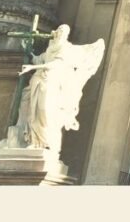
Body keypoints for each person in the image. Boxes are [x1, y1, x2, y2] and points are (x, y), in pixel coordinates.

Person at [19, 24, 105, 154]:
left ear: (66, 35)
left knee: (45, 110)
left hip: (53, 83)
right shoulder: (51, 48)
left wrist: (32, 68)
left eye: (62, 31)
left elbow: (56, 64)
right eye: (58, 30)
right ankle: (35, 141)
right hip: (39, 81)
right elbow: (39, 60)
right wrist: (30, 53)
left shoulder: (66, 48)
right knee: (32, 110)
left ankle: (46, 142)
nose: (59, 33)